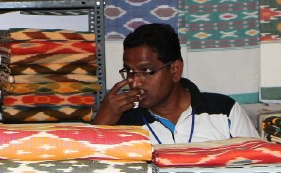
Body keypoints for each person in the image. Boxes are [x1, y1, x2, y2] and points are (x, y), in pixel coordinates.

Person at [93, 23, 259, 144]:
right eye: (129, 71)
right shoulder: (123, 120)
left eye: (146, 71)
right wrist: (101, 124)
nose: (134, 82)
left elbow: (262, 169)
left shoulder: (223, 111)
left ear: (175, 70)